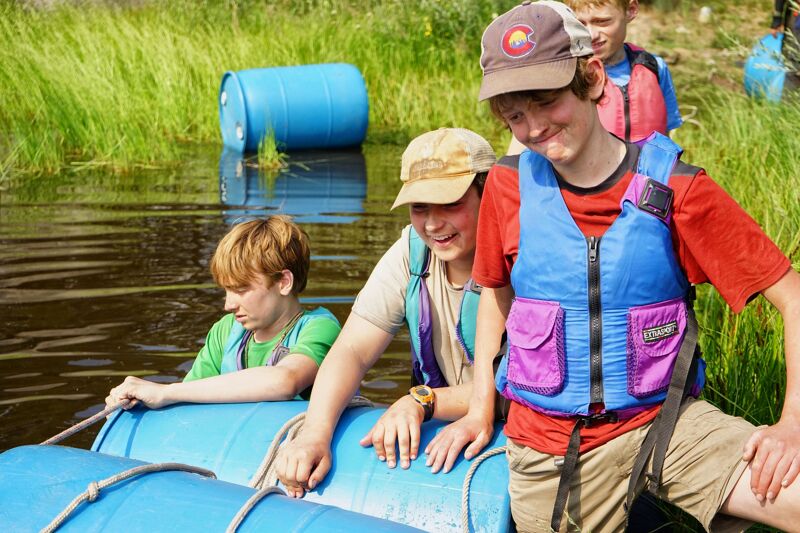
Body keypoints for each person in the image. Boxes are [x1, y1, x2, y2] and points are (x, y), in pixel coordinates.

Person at [443, 1, 800, 531]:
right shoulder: (505, 188)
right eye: (515, 115)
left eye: (546, 101)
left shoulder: (676, 188)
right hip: (547, 450)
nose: (535, 127)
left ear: (589, 78)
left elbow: (791, 296)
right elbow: (497, 296)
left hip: (666, 424)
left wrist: (793, 422)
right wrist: (478, 407)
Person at [275, 128, 499, 498]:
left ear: (487, 193)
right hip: (442, 418)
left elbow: (520, 384)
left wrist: (422, 401)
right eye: (419, 207)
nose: (431, 224)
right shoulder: (411, 254)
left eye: (449, 204)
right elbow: (352, 350)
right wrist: (314, 433)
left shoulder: (520, 258)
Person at [106, 215, 341, 409]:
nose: (229, 305)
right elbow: (187, 396)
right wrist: (138, 400)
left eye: (240, 289)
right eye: (227, 290)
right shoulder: (226, 330)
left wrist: (166, 391)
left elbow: (285, 380)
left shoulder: (320, 327)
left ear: (283, 282)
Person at [506, 0, 681, 156]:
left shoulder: (655, 67)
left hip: (652, 180)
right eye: (580, 24)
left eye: (602, 22)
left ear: (631, 10)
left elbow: (667, 134)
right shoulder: (566, 76)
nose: (591, 34)